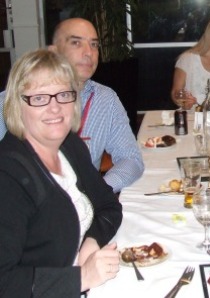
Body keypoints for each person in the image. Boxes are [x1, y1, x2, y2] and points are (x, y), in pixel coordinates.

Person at [0, 49, 122, 297]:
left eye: (63, 95)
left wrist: (91, 241)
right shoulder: (8, 176)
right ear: (17, 104)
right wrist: (81, 277)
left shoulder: (69, 146)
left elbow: (109, 206)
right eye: (39, 98)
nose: (55, 108)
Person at [0, 18, 144, 194]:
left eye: (94, 45)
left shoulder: (106, 100)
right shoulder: (11, 101)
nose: (88, 53)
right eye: (76, 43)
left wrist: (97, 192)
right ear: (54, 51)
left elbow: (131, 159)